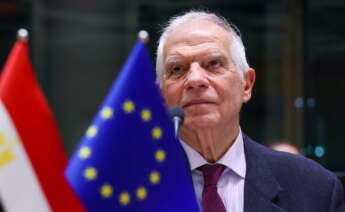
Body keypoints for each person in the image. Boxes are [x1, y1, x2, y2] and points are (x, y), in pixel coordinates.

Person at [155, 10, 345, 211]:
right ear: (160, 95)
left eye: (213, 64)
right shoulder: (132, 182)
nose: (195, 79)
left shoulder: (314, 188)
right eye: (177, 69)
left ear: (246, 85)